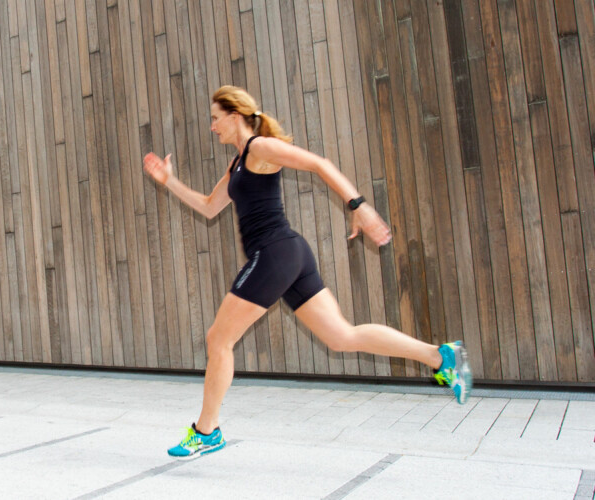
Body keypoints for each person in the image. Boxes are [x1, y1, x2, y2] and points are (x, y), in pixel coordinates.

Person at [142, 85, 472, 459]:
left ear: (235, 116)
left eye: (215, 119)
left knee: (219, 339)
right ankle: (440, 356)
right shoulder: (236, 164)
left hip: (275, 253)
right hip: (289, 254)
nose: (212, 127)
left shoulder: (260, 149)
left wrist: (359, 206)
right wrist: (169, 181)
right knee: (342, 336)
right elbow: (208, 206)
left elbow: (320, 164)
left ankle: (206, 431)